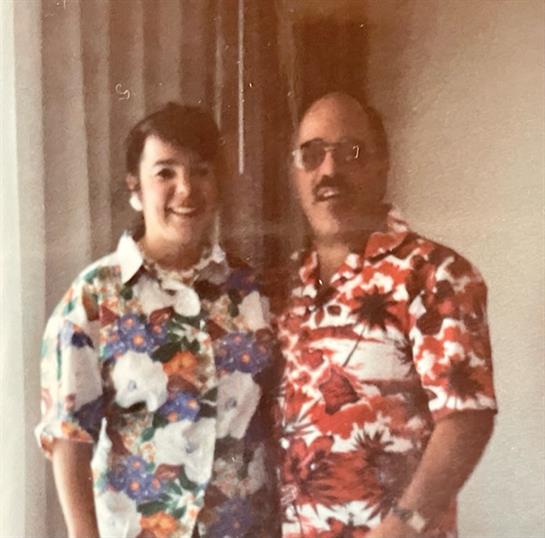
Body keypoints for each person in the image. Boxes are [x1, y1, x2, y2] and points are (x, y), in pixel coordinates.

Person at [36, 102, 278, 538]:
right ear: (135, 188)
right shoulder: (94, 298)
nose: (186, 190)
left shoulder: (251, 293)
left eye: (201, 171)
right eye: (165, 173)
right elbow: (68, 437)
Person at [273, 93, 497, 538]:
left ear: (382, 164)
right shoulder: (284, 288)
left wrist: (404, 525)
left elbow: (467, 418)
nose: (329, 171)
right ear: (295, 173)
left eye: (350, 152)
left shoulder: (434, 274)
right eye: (312, 155)